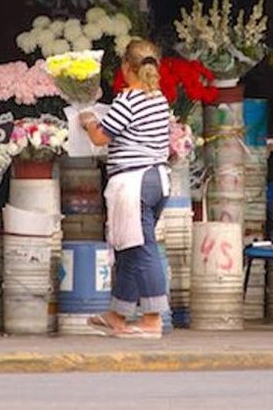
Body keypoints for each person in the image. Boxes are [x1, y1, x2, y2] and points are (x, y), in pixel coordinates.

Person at [79, 38, 171, 339]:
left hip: (135, 182)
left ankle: (153, 319)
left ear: (126, 68)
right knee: (129, 248)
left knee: (142, 248)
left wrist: (88, 120)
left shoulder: (127, 100)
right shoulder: (158, 98)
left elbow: (100, 137)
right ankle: (117, 314)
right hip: (157, 180)